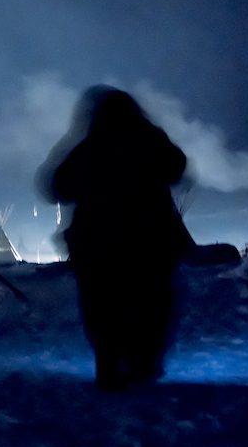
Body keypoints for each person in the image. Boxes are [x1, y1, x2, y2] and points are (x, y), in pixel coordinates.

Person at [37, 86, 193, 390]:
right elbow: (177, 167)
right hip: (150, 241)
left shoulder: (89, 147)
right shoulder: (150, 139)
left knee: (103, 307)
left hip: (98, 245)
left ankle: (109, 366)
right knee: (151, 303)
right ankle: (143, 362)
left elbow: (55, 186)